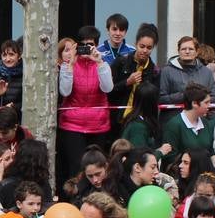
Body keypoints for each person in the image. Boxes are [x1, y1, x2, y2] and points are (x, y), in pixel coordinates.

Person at [56, 27, 112, 187]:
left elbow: (108, 88)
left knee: (98, 168)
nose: (87, 48)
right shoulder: (70, 64)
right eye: (84, 45)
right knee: (76, 168)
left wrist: (99, 62)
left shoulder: (102, 63)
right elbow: (65, 91)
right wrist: (71, 64)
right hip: (73, 125)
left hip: (98, 125)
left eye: (91, 45)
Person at [159, 83, 215, 173]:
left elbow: (211, 151)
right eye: (206, 102)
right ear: (194, 103)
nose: (209, 105)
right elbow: (170, 159)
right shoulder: (174, 125)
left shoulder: (205, 123)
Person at [109, 23, 159, 121]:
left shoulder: (155, 71)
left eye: (149, 48)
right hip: (117, 120)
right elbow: (108, 92)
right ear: (135, 43)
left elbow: (154, 100)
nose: (144, 50)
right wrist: (127, 82)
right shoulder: (120, 62)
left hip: (140, 122)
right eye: (142, 46)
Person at [159, 36, 215, 105]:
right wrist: (183, 96)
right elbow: (161, 98)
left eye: (191, 49)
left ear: (197, 52)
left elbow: (214, 97)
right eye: (183, 49)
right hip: (175, 114)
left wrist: (199, 98)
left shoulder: (207, 72)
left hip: (200, 114)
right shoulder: (166, 71)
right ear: (178, 51)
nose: (187, 52)